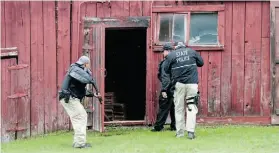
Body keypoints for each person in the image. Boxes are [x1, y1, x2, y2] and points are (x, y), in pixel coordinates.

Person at [162, 42, 204, 139]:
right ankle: (191, 132)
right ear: (185, 46)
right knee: (191, 107)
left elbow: (166, 70)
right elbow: (201, 63)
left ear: (176, 48)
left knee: (179, 109)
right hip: (192, 84)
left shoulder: (171, 55)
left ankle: (180, 133)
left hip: (179, 85)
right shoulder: (192, 52)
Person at [58, 56, 101, 148]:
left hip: (70, 98)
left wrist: (94, 95)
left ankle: (78, 142)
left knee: (79, 117)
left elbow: (81, 90)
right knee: (81, 116)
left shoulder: (77, 72)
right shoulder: (75, 70)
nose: (89, 66)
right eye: (88, 64)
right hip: (69, 98)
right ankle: (80, 143)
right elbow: (90, 80)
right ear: (85, 64)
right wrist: (92, 82)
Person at [151, 43, 176, 132]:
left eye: (164, 51)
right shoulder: (175, 62)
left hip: (168, 87)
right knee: (175, 107)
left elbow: (165, 77)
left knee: (163, 106)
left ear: (167, 51)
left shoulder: (166, 62)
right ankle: (175, 126)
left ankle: (158, 127)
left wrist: (164, 89)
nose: (163, 53)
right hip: (176, 87)